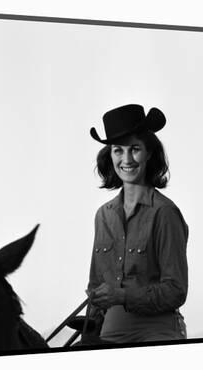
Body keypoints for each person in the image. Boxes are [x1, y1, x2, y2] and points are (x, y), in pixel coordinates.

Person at [84, 104, 188, 344]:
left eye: (135, 149)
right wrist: (95, 308)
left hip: (157, 333)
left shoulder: (165, 213)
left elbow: (175, 290)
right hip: (108, 332)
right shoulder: (103, 216)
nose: (126, 159)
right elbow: (96, 283)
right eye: (118, 150)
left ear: (149, 153)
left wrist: (121, 295)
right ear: (110, 156)